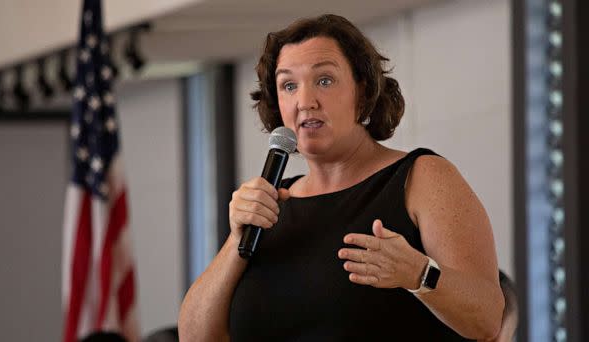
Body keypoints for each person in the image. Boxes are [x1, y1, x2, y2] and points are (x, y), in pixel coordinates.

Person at [178, 14, 504, 341]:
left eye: (324, 80)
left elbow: (488, 320)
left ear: (362, 91)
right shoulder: (271, 206)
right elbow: (194, 337)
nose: (305, 101)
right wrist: (237, 239)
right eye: (289, 85)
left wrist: (418, 273)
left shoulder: (423, 178)